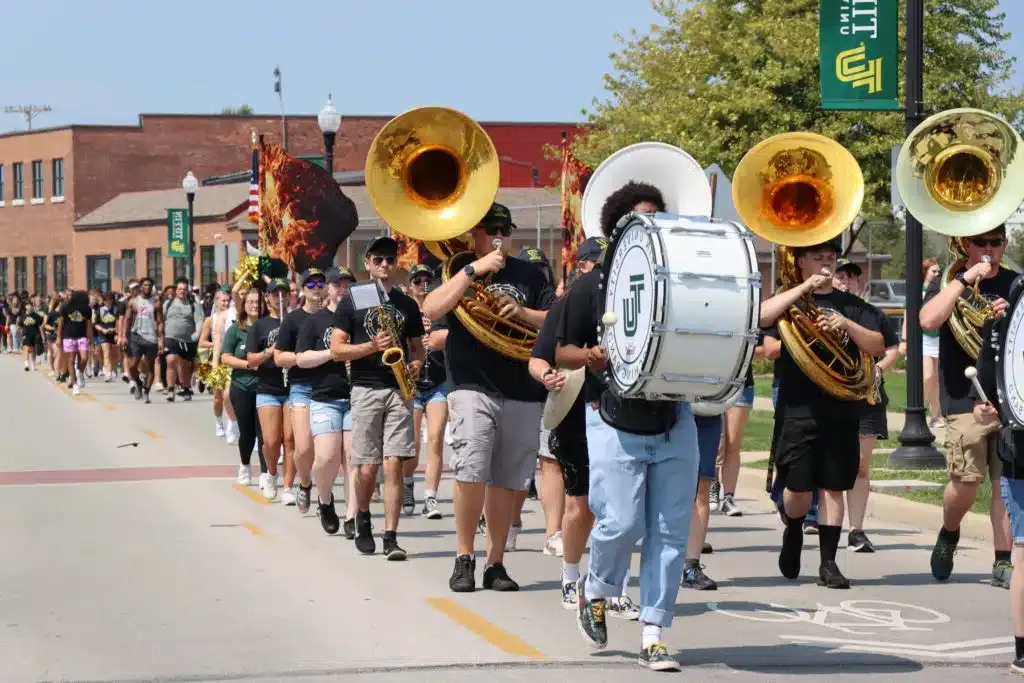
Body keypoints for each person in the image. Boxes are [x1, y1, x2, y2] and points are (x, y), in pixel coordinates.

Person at [557, 182, 697, 670]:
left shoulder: (683, 281)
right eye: (641, 216)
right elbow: (556, 349)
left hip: (675, 419)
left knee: (669, 534)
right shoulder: (591, 286)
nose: (650, 223)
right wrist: (589, 355)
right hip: (611, 417)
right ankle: (596, 589)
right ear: (618, 229)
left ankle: (653, 633)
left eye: (658, 216)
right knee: (619, 522)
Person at [422, 202, 554, 593]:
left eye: (503, 228)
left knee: (506, 481)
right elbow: (431, 308)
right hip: (471, 383)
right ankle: (464, 557)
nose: (497, 235)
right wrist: (470, 271)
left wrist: (522, 314)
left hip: (521, 385)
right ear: (472, 234)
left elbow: (556, 319)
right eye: (488, 229)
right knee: (470, 468)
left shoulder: (528, 274)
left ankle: (495, 562)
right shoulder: (459, 268)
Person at [761, 239, 885, 590]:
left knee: (834, 487)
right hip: (798, 409)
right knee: (798, 490)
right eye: (817, 258)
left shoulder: (852, 306)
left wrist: (846, 325)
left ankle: (828, 563)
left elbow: (878, 345)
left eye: (830, 258)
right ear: (800, 262)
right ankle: (794, 528)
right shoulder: (790, 300)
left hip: (842, 409)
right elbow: (761, 317)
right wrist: (803, 288)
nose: (826, 264)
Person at [920, 225, 1014, 587]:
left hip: (1007, 396)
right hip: (962, 395)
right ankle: (949, 531)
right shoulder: (948, 282)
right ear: (967, 244)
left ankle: (1002, 560)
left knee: (1005, 482)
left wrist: (1006, 318)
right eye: (981, 242)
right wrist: (963, 281)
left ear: (1004, 244)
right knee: (967, 481)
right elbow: (928, 320)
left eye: (995, 242)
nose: (988, 249)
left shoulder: (1016, 283)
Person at [331, 237, 425, 560]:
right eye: (379, 259)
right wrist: (371, 347)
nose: (385, 265)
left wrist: (416, 363)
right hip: (366, 388)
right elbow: (336, 349)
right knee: (367, 467)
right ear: (368, 263)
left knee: (394, 463)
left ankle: (391, 536)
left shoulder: (407, 304)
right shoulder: (351, 301)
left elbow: (418, 347)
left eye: (390, 259)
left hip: (399, 388)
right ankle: (363, 518)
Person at [833, 258, 899, 553]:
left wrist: (879, 369)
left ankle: (856, 530)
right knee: (833, 465)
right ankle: (827, 527)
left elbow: (891, 349)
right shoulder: (821, 312)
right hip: (833, 397)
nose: (846, 282)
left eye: (852, 277)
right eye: (841, 276)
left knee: (861, 466)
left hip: (868, 397)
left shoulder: (872, 314)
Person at [971, 313, 1024, 675]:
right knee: (1023, 548)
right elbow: (990, 394)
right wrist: (987, 408)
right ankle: (1022, 648)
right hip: (1020, 450)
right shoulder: (1004, 322)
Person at [296, 266, 358, 535]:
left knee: (353, 458)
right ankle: (325, 499)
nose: (343, 289)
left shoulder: (360, 317)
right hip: (325, 397)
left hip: (357, 395)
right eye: (337, 284)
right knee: (325, 459)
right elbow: (300, 358)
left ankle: (353, 516)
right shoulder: (315, 320)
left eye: (347, 284)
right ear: (328, 289)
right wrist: (332, 355)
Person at [274, 268, 326, 510]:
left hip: (328, 387)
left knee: (325, 452)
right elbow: (278, 357)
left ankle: (326, 497)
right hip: (302, 387)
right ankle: (304, 483)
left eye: (320, 283)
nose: (317, 288)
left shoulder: (333, 317)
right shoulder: (293, 320)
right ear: (303, 289)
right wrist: (304, 358)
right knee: (303, 446)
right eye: (311, 284)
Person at [407, 263, 450, 520]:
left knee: (435, 439)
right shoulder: (406, 310)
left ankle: (431, 496)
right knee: (410, 445)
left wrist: (436, 336)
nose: (423, 285)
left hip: (438, 382)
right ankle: (408, 483)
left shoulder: (441, 309)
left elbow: (453, 337)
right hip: (411, 385)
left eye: (427, 280)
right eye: (417, 281)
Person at [246, 279, 292, 501]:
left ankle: (289, 486)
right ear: (268, 297)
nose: (280, 298)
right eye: (276, 294)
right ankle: (272, 473)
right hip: (268, 387)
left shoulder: (295, 321)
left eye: (284, 293)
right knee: (271, 440)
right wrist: (269, 352)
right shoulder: (259, 326)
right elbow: (251, 360)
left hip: (293, 387)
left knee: (291, 439)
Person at [220, 288, 268, 486]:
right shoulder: (235, 329)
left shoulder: (270, 327)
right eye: (250, 302)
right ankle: (245, 465)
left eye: (258, 302)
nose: (255, 306)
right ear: (244, 305)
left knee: (265, 432)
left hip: (266, 387)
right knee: (247, 431)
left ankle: (266, 472)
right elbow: (225, 357)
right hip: (241, 386)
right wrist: (248, 364)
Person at [902, 259, 944, 426]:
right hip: (922, 338)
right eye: (933, 271)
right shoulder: (916, 291)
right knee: (927, 376)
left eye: (938, 272)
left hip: (939, 338)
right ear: (925, 272)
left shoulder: (942, 290)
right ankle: (918, 411)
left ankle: (936, 415)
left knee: (937, 380)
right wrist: (904, 340)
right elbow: (908, 316)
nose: (937, 274)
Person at [122, 277, 164, 404]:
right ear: (140, 287)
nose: (147, 287)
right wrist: (123, 336)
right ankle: (139, 383)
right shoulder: (133, 302)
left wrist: (161, 339)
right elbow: (127, 320)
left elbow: (160, 322)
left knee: (150, 366)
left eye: (150, 285)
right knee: (133, 364)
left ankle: (146, 391)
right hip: (136, 335)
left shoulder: (156, 303)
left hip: (151, 337)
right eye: (145, 285)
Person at [163, 278, 204, 402]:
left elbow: (199, 320)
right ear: (176, 290)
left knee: (185, 365)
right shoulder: (168, 304)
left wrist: (197, 332)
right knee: (171, 360)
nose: (182, 291)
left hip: (188, 339)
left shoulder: (193, 305)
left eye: (184, 289)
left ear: (188, 291)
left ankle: (186, 388)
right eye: (180, 289)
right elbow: (161, 319)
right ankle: (170, 389)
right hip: (171, 337)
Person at [57, 290, 94, 396]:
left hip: (81, 336)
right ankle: (75, 385)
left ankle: (80, 372)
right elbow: (60, 323)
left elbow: (88, 324)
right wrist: (59, 337)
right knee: (71, 360)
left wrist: (90, 337)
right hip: (69, 336)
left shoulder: (87, 309)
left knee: (84, 358)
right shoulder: (65, 307)